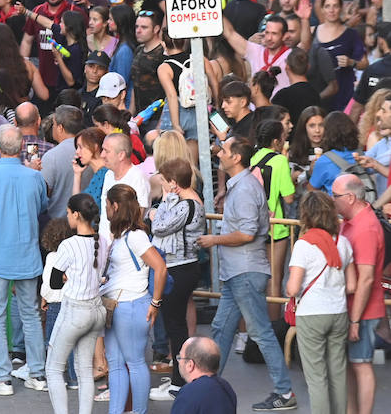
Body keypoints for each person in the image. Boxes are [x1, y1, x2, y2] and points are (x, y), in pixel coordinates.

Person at [197, 137, 295, 411]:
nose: (220, 153)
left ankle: (284, 392)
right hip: (239, 272)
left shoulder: (244, 190)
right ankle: (207, 384)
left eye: (224, 150)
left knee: (260, 332)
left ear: (236, 158)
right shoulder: (242, 186)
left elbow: (247, 233)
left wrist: (213, 240)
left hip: (245, 272)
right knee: (221, 329)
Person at [0, 125, 48, 395]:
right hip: (28, 255)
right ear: (21, 146)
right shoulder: (35, 177)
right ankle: (37, 373)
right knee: (31, 315)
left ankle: (2, 378)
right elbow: (42, 208)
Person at [99, 185, 166, 414]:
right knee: (118, 365)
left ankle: (138, 411)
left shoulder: (135, 236)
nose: (105, 209)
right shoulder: (123, 235)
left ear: (115, 206)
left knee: (134, 362)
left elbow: (160, 267)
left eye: (107, 205)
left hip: (131, 305)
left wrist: (155, 304)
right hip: (120, 306)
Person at [285, 190, 352, 414]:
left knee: (316, 377)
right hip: (339, 312)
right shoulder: (342, 242)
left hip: (312, 314)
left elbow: (293, 288)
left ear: (306, 215)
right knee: (338, 372)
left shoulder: (303, 245)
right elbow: (351, 285)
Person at [148, 158, 206, 397]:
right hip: (180, 267)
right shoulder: (183, 201)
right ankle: (178, 378)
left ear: (173, 182)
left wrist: (156, 211)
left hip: (180, 268)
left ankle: (178, 384)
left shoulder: (187, 205)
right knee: (175, 326)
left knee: (176, 327)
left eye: (164, 180)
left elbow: (159, 227)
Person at [44, 193, 105, 414]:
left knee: (53, 368)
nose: (67, 216)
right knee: (84, 371)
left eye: (69, 212)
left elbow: (53, 282)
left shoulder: (68, 245)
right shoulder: (103, 241)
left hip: (75, 312)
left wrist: (67, 279)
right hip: (96, 310)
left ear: (77, 215)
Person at [332, 172, 385, 414]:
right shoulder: (353, 222)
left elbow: (365, 279)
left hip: (362, 309)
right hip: (356, 307)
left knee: (361, 364)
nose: (332, 200)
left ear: (350, 197)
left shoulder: (365, 227)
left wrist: (354, 319)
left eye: (335, 196)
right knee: (354, 365)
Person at [170, 337, 237, 414]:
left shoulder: (189, 394)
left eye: (180, 357)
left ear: (190, 365)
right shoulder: (225, 386)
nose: (179, 361)